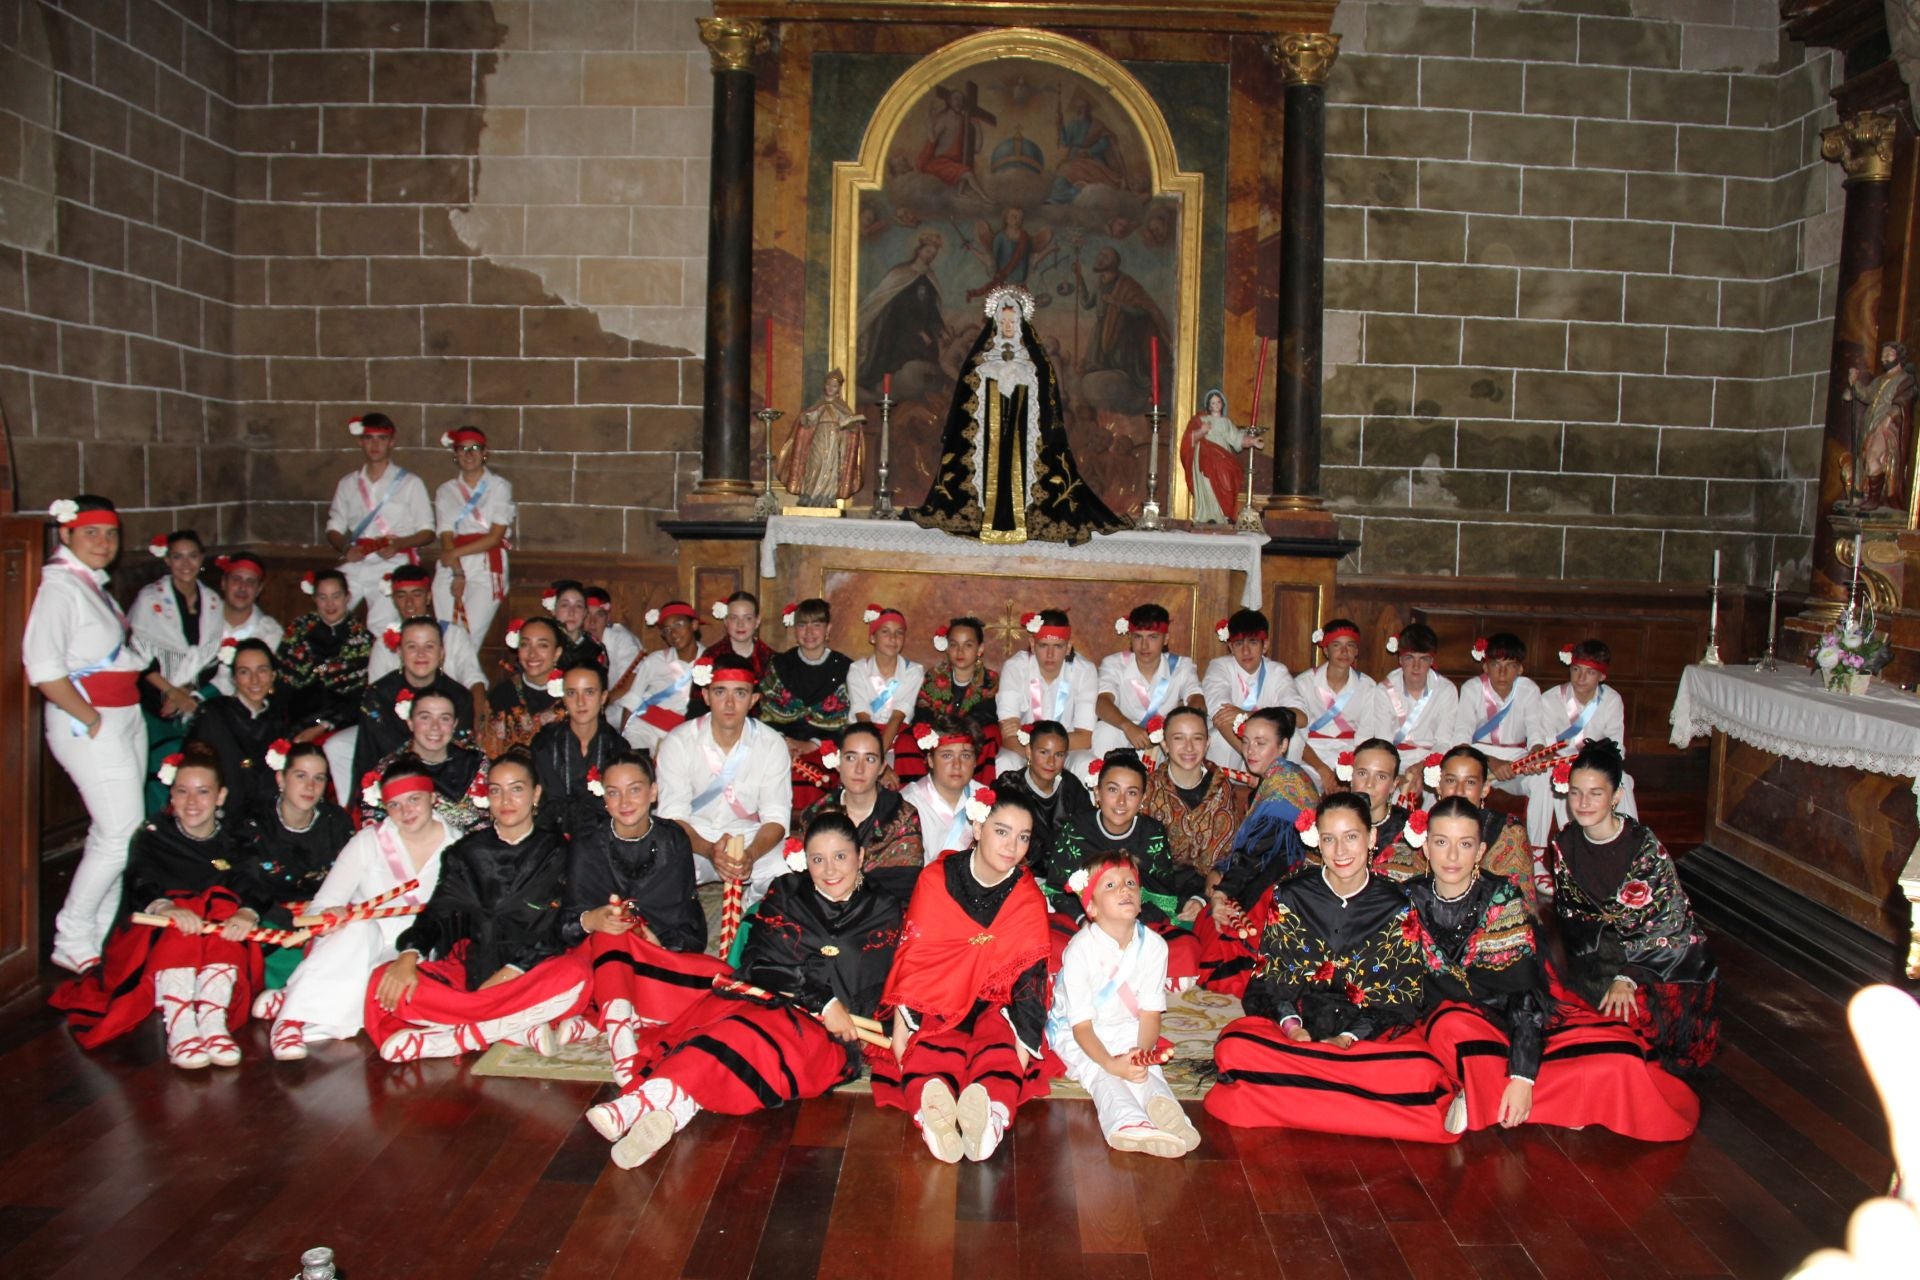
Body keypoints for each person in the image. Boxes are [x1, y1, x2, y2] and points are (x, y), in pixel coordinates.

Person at [586, 812, 904, 1169]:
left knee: (748, 1039)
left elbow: (884, 981)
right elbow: (760, 961)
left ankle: (646, 1101)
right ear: (804, 860)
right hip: (772, 1002)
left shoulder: (883, 908)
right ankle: (671, 1107)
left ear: (861, 856)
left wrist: (837, 1012)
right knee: (732, 1029)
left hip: (832, 1035)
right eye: (818, 859)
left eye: (841, 857)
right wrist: (822, 1001)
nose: (830, 869)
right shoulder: (787, 891)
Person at [1410, 797, 1700, 1141]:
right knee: (1450, 1025)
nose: (1453, 856)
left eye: (1466, 844)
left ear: (1481, 849)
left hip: (1508, 1015)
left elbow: (1523, 992)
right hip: (1452, 1022)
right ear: (1426, 846)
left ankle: (1488, 1097)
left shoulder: (1501, 897)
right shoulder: (1405, 899)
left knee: (1619, 1058)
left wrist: (1522, 1075)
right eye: (1442, 842)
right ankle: (1565, 1100)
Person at [1204, 793, 1454, 1142]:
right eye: (1329, 839)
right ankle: (1359, 1106)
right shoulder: (1291, 894)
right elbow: (1273, 980)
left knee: (1419, 1072)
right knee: (1234, 1047)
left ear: (1371, 839)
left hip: (1363, 1039)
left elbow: (1399, 998)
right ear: (1315, 841)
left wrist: (1347, 1038)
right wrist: (1292, 1028)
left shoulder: (1396, 905)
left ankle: (1290, 1097)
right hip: (1297, 1036)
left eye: (1351, 836)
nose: (1340, 850)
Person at [366, 750, 594, 1062]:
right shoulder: (465, 852)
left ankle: (457, 1036)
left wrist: (508, 975)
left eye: (516, 789)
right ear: (486, 796)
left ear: (536, 793)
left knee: (576, 974)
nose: (506, 800)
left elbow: (558, 927)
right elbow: (440, 913)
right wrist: (408, 956)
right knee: (382, 980)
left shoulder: (559, 851)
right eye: (496, 790)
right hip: (474, 970)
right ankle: (511, 1027)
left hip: (532, 971)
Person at [49, 749, 265, 1067]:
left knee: (223, 918)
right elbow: (140, 881)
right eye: (182, 791)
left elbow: (254, 883)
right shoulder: (153, 836)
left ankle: (212, 1019)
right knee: (182, 925)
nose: (192, 802)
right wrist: (165, 906)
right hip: (159, 933)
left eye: (203, 792)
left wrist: (247, 912)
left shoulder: (238, 838)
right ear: (172, 796)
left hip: (216, 934)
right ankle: (181, 1026)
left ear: (220, 796)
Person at [874, 790, 1052, 1164]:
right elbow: (916, 962)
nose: (1013, 846)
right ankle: (932, 1115)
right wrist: (902, 1037)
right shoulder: (935, 880)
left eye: (1023, 837)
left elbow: (1029, 984)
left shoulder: (1027, 897)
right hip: (939, 994)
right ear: (977, 825)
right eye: (1002, 832)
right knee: (931, 1047)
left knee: (998, 1046)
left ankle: (991, 1116)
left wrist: (1019, 1061)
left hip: (995, 997)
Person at [26, 495, 150, 975]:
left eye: (111, 534)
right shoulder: (59, 588)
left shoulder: (90, 585)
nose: (103, 543)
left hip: (123, 715)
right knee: (119, 832)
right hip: (89, 721)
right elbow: (42, 669)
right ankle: (71, 932)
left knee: (118, 829)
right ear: (67, 535)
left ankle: (99, 929)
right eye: (91, 533)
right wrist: (92, 718)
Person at [269, 756, 459, 1058]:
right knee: (359, 928)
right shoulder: (367, 842)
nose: (405, 811)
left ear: (433, 798)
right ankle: (291, 1020)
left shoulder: (458, 847)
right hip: (354, 950)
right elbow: (322, 905)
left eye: (414, 799)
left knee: (392, 992)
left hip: (415, 955)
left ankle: (297, 998)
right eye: (395, 804)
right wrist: (333, 915)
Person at [907, 285, 1126, 545]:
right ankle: (983, 514)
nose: (1008, 325)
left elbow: (1046, 409)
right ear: (996, 321)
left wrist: (1022, 379)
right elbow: (966, 407)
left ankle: (1025, 514)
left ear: (1021, 322)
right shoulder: (981, 362)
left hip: (1023, 438)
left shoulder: (1034, 364)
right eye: (1004, 320)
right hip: (989, 438)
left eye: (1013, 320)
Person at [1549, 739, 1719, 1073]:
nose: (1583, 803)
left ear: (1616, 797)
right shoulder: (1565, 843)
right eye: (1575, 792)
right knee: (1568, 1033)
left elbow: (1668, 925)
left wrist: (1627, 977)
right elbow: (1572, 920)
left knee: (1627, 1039)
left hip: (1654, 960)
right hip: (1596, 959)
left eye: (1595, 793)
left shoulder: (1642, 847)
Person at [563, 749, 726, 1087]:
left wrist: (655, 940)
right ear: (603, 796)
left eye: (635, 789)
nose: (624, 801)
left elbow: (685, 921)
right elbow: (566, 925)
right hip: (600, 955)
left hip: (656, 954)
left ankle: (598, 1019)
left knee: (721, 979)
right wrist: (592, 920)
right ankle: (621, 1037)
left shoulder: (673, 839)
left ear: (653, 792)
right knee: (612, 929)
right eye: (613, 792)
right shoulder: (587, 843)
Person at [1047, 855, 1200, 1158]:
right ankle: (1126, 1124)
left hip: (1129, 1026)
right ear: (1091, 907)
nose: (1124, 890)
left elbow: (1150, 1013)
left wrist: (1141, 1055)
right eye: (1111, 885)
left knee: (1148, 1073)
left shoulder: (1155, 946)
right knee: (1101, 1075)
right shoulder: (1079, 951)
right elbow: (1080, 1026)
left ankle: (1168, 1114)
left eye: (1130, 883)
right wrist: (1111, 1063)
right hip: (1080, 1032)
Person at [1196, 707, 1318, 996]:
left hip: (1283, 883)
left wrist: (1225, 893)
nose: (1250, 750)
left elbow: (1260, 854)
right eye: (1247, 741)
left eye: (1261, 743)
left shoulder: (1283, 787)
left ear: (1284, 745)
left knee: (1218, 934)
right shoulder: (1279, 776)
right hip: (1273, 870)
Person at [1050, 750, 1200, 983]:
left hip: (1135, 923)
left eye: (1131, 793)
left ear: (1142, 798)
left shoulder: (1152, 832)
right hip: (1085, 921)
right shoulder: (1076, 828)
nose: (1121, 802)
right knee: (1051, 942)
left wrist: (1128, 929)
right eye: (1112, 790)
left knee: (1185, 946)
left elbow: (1162, 896)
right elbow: (1060, 889)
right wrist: (1087, 923)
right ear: (1097, 793)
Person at [654, 652, 793, 903]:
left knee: (787, 866)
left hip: (750, 837)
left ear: (753, 699)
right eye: (720, 692)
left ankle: (754, 917)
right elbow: (672, 817)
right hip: (695, 838)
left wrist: (750, 854)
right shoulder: (678, 741)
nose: (729, 704)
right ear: (706, 696)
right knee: (658, 856)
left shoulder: (771, 744)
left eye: (740, 693)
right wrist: (710, 850)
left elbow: (776, 815)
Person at [1527, 638, 1638, 857]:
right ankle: (1538, 853)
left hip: (1595, 764)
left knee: (1622, 779)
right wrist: (1548, 754)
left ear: (1602, 676)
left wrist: (1598, 763)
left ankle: (1632, 845)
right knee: (1546, 780)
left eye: (1590, 672)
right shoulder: (1551, 698)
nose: (1580, 678)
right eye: (1576, 670)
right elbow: (1544, 740)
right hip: (1561, 763)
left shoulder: (1612, 700)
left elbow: (1616, 745)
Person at [129, 530, 220, 793]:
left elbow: (211, 657)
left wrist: (186, 691)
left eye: (192, 556)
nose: (186, 564)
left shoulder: (213, 601)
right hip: (154, 694)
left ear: (202, 558)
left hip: (192, 692)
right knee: (158, 766)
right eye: (177, 557)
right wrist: (171, 692)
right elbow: (137, 654)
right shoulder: (150, 599)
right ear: (167, 561)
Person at [325, 411, 433, 630]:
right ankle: (329, 663)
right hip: (358, 560)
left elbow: (428, 531)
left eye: (381, 438)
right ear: (360, 441)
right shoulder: (348, 483)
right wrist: (346, 549)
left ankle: (381, 663)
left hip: (393, 561)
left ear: (391, 442)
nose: (375, 444)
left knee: (381, 625)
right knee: (330, 605)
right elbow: (334, 528)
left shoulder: (410, 483)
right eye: (369, 438)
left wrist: (399, 544)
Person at [793, 723, 924, 903]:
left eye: (869, 759)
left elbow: (903, 888)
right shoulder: (815, 815)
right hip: (822, 914)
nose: (859, 769)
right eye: (851, 758)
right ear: (838, 763)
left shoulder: (902, 817)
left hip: (881, 917)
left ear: (882, 767)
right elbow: (807, 880)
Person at [347, 615, 474, 790]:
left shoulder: (460, 697)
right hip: (391, 783)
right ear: (399, 652)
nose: (421, 654)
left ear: (442, 652)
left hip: (445, 787)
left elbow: (461, 756)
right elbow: (369, 755)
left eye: (429, 646)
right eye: (412, 646)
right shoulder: (378, 695)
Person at [756, 598, 851, 810]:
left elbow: (847, 721)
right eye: (802, 625)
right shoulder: (779, 665)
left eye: (816, 625)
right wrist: (783, 743)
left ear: (828, 629)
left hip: (827, 747)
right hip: (780, 745)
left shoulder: (843, 668)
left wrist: (813, 744)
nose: (809, 632)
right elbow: (766, 714)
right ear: (795, 629)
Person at [186, 638, 295, 818]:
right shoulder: (214, 714)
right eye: (245, 672)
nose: (255, 680)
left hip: (267, 820)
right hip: (219, 815)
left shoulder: (280, 719)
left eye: (262, 670)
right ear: (234, 678)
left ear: (273, 675)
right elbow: (195, 768)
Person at [1141, 705, 1251, 881]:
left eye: (1197, 738)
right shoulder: (1148, 789)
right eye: (1179, 738)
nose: (1189, 747)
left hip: (1204, 890)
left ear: (1207, 744)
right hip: (1155, 888)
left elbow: (1224, 856)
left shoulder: (1221, 788)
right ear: (1164, 743)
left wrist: (1200, 898)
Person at [355, 690, 487, 835]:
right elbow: (375, 830)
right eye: (425, 717)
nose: (435, 727)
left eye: (444, 718)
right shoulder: (387, 772)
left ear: (454, 724)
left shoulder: (478, 763)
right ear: (410, 722)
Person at [365, 564, 487, 721]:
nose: (409, 603)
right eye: (402, 596)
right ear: (394, 599)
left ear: (428, 597)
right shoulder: (383, 643)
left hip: (446, 721)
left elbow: (474, 681)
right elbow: (375, 693)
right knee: (336, 745)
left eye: (416, 595)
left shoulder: (453, 635)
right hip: (396, 723)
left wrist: (478, 723)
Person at [432, 423, 514, 644]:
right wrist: (458, 571)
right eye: (462, 449)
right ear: (455, 454)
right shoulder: (445, 491)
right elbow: (446, 534)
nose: (469, 454)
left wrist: (456, 553)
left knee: (468, 638)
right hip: (453, 565)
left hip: (486, 566)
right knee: (445, 635)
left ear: (485, 452)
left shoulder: (499, 487)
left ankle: (465, 678)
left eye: (475, 448)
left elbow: (495, 536)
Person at [1291, 618, 1392, 793]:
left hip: (1352, 756)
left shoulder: (1368, 686)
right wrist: (1323, 770)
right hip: (1311, 756)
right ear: (1325, 649)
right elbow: (1297, 736)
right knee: (1301, 789)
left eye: (1350, 645)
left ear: (1356, 651)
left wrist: (1346, 772)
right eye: (1336, 645)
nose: (1344, 652)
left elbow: (1365, 736)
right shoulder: (1304, 683)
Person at [995, 608, 1097, 780]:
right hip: (1025, 751)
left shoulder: (1084, 671)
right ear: (1033, 644)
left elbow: (1084, 738)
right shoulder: (1015, 667)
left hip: (1066, 751)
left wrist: (1045, 750)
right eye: (1043, 645)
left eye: (1058, 646)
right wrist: (1037, 755)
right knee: (1005, 761)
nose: (1050, 655)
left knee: (1087, 764)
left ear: (1068, 647)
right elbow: (1008, 736)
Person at [1092, 604, 1205, 759]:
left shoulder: (1181, 666)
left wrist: (1173, 727)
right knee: (1105, 730)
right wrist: (1128, 726)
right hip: (1126, 732)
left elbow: (1196, 699)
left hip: (1166, 735)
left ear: (1165, 639)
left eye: (1153, 637)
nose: (1144, 645)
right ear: (1130, 638)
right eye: (1138, 637)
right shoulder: (1114, 664)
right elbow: (1102, 702)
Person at [1201, 608, 1306, 769]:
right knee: (1219, 739)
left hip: (1267, 747)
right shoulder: (1219, 667)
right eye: (1238, 644)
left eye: (1253, 642)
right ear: (1230, 647)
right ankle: (1223, 790)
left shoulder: (1277, 671)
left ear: (1265, 646)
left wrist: (1247, 714)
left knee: (1295, 737)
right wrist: (1249, 753)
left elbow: (1300, 717)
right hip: (1234, 745)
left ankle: (1283, 783)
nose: (1245, 651)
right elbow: (1221, 718)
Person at [276, 568, 372, 738]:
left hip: (341, 723)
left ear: (347, 597)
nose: (330, 604)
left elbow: (360, 696)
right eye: (323, 597)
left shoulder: (361, 640)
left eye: (336, 596)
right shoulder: (297, 632)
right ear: (314, 599)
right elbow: (284, 683)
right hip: (297, 719)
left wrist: (325, 725)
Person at [1432, 745, 1535, 902]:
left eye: (1470, 782)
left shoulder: (1508, 832)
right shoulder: (1419, 829)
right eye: (1451, 780)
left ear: (1485, 789)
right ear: (1439, 786)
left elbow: (1518, 901)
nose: (1459, 791)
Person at [993, 719, 1093, 880]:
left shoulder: (1071, 787)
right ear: (1028, 752)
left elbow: (1087, 833)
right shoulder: (1011, 787)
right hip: (1021, 876)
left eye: (1058, 755)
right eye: (1043, 752)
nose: (1051, 762)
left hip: (1067, 875)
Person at [530, 662, 619, 836]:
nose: (580, 702)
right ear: (563, 698)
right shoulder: (545, 743)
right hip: (551, 838)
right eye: (572, 693)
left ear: (603, 697)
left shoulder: (616, 746)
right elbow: (548, 803)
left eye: (589, 692)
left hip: (602, 839)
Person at [914, 615, 1000, 773]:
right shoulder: (933, 676)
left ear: (979, 649)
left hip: (972, 739)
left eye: (968, 645)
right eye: (954, 645)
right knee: (907, 739)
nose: (960, 651)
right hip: (937, 737)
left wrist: (955, 734)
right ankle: (915, 794)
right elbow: (922, 713)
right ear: (947, 647)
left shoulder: (990, 680)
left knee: (991, 733)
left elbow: (985, 716)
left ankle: (981, 793)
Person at [846, 605, 923, 778]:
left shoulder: (913, 671)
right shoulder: (858, 670)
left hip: (897, 735)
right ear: (872, 637)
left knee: (907, 750)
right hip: (865, 736)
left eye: (899, 633)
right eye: (885, 632)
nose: (893, 638)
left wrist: (878, 759)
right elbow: (863, 717)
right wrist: (876, 761)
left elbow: (897, 717)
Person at [615, 601, 702, 752]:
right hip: (644, 729)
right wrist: (623, 744)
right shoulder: (655, 661)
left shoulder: (710, 661)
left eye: (679, 624)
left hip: (683, 733)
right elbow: (632, 700)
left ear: (694, 625)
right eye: (667, 630)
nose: (673, 633)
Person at [899, 718, 990, 861]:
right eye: (947, 755)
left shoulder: (984, 796)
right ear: (930, 760)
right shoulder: (908, 802)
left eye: (965, 756)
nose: (957, 765)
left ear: (975, 762)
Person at [1381, 624, 1458, 791]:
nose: (1416, 666)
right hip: (1394, 762)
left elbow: (1444, 741)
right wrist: (1398, 777)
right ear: (1400, 659)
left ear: (1431, 660)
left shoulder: (1446, 689)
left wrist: (1423, 767)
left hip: (1432, 762)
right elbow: (1383, 743)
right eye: (1410, 658)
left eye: (1423, 659)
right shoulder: (1383, 690)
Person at [777, 369, 866, 506]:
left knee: (830, 466)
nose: (831, 388)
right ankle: (809, 494)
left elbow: (850, 425)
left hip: (834, 439)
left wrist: (852, 424)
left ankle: (827, 496)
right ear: (824, 386)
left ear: (838, 389)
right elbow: (809, 419)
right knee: (815, 463)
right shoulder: (819, 405)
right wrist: (805, 418)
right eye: (829, 385)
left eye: (834, 386)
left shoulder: (841, 407)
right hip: (819, 436)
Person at [1846, 340, 1915, 510]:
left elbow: (1904, 402)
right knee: (1866, 461)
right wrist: (1854, 383)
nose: (1885, 357)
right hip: (1871, 424)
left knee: (1872, 458)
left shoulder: (1905, 379)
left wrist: (1888, 419)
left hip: (1887, 427)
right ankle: (1868, 495)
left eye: (1889, 354)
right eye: (1883, 354)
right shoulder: (1879, 380)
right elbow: (1867, 396)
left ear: (1899, 357)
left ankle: (1875, 499)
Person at [205, 551, 284, 696]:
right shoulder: (203, 620)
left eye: (250, 581)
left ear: (259, 589)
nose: (242, 587)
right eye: (236, 579)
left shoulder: (270, 632)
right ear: (223, 583)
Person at [483, 615, 565, 755]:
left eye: (542, 645)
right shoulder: (502, 695)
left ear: (557, 653)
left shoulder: (573, 695)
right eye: (525, 644)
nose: (532, 654)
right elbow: (489, 751)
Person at [1344, 736, 1421, 881]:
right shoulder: (1330, 822)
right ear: (1350, 776)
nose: (1369, 784)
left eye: (1381, 776)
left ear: (1394, 784)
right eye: (1362, 773)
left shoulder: (1411, 829)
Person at [1180, 389, 1261, 525]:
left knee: (1227, 482)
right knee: (1208, 484)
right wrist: (1202, 430)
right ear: (1208, 406)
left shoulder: (1226, 422)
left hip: (1224, 457)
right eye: (1212, 403)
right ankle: (1209, 515)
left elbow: (1236, 439)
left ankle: (1225, 514)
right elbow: (1189, 439)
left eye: (1218, 402)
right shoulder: (1201, 420)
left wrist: (1253, 441)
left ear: (1222, 404)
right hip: (1206, 458)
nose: (1216, 405)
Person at [586, 586, 643, 709]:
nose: (592, 622)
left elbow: (629, 683)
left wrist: (598, 706)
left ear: (608, 618)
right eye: (587, 615)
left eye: (599, 615)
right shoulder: (577, 641)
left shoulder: (623, 640)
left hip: (621, 705)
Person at [547, 579, 609, 675]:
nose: (572, 612)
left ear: (585, 613)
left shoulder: (595, 648)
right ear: (554, 610)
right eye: (565, 605)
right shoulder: (543, 642)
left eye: (578, 606)